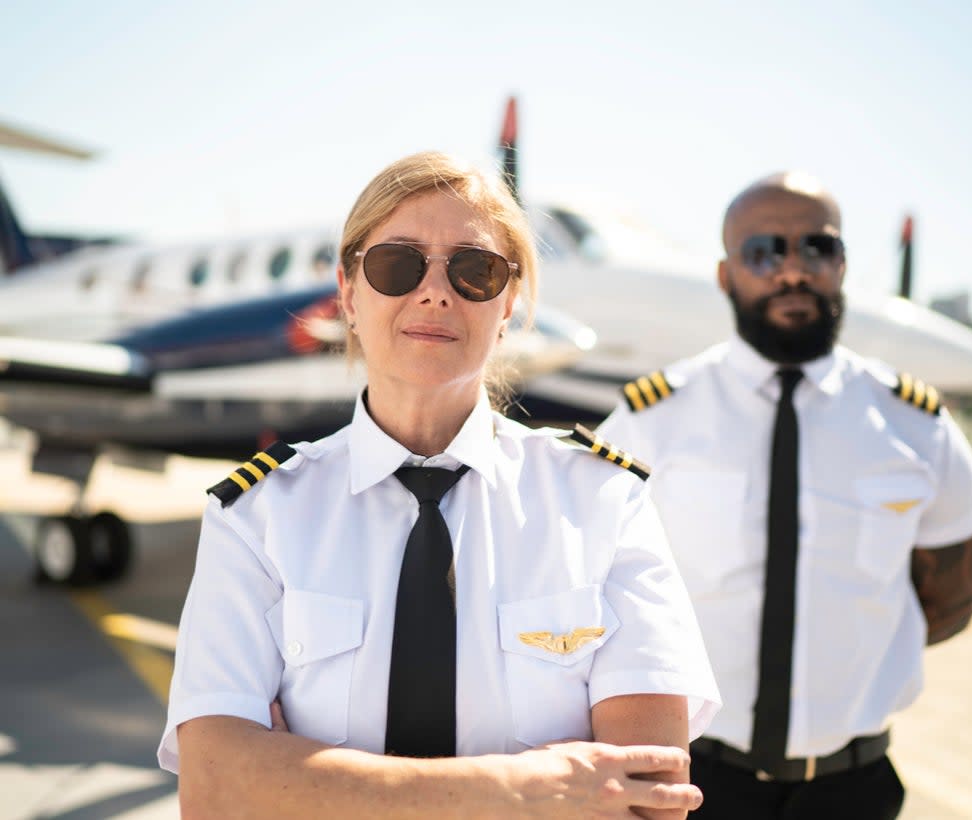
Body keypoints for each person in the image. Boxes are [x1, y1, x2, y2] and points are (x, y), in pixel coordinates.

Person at [157, 151, 720, 819]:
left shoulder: (604, 502)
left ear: (509, 302)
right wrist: (532, 787)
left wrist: (301, 780)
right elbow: (216, 790)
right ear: (348, 294)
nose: (434, 291)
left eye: (474, 270)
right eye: (397, 264)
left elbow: (650, 799)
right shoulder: (256, 516)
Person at [598, 172, 972, 819]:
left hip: (852, 791)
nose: (792, 271)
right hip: (694, 784)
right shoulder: (649, 421)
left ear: (843, 266)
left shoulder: (918, 427)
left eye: (817, 248)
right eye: (763, 252)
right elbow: (598, 593)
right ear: (726, 276)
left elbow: (949, 600)